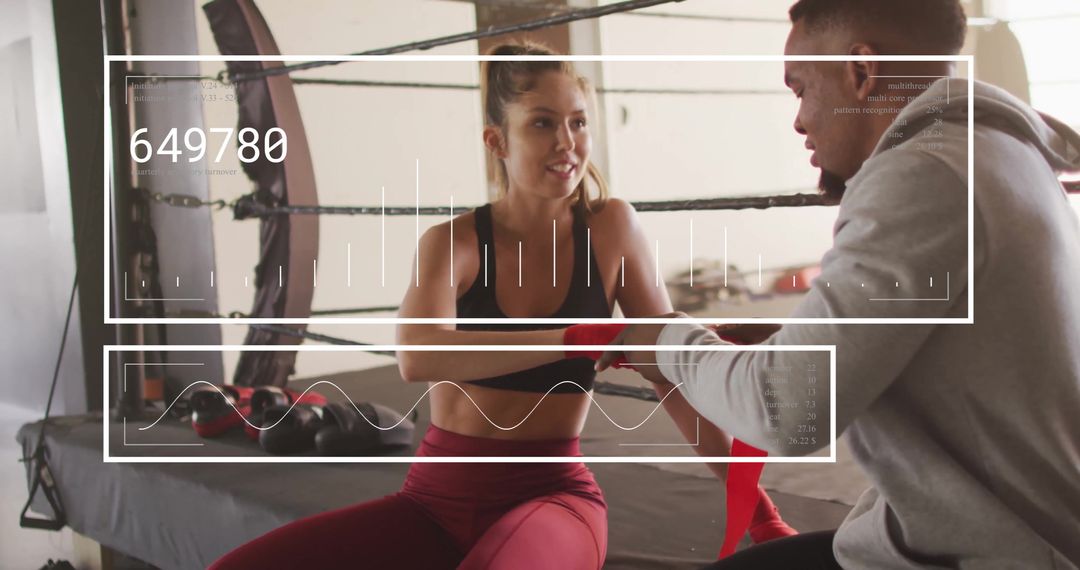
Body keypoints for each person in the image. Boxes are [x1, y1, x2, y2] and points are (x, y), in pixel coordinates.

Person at [211, 42, 790, 570]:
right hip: (433, 502)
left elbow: (675, 383)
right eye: (542, 124)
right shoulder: (453, 243)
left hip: (554, 499)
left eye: (578, 122)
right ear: (497, 141)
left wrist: (761, 514)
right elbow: (417, 356)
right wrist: (572, 338)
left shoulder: (612, 229)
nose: (567, 143)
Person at [598, 1, 1080, 568]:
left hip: (987, 552)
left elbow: (786, 410)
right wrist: (799, 334)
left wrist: (661, 340)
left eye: (800, 88)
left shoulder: (925, 173)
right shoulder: (996, 150)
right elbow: (954, 331)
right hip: (1004, 528)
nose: (799, 120)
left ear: (861, 71)